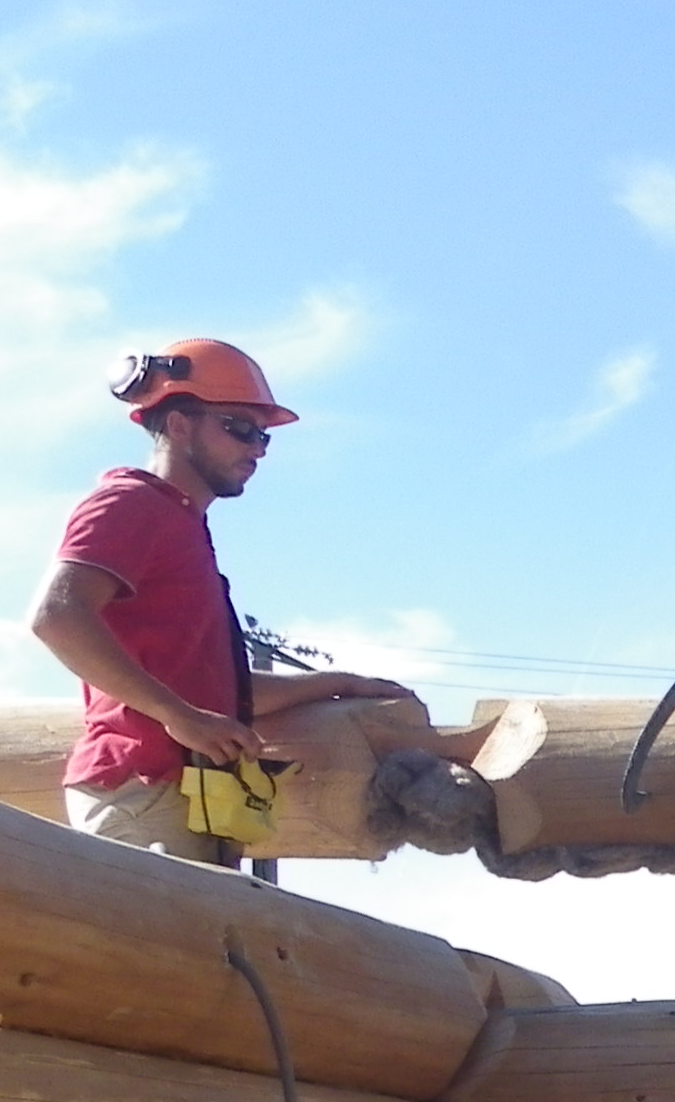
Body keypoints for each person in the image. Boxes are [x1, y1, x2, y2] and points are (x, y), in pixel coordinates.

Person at [31, 339, 416, 862]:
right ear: (179, 425)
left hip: (182, 797)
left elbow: (217, 695)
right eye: (238, 427)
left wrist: (336, 684)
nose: (256, 448)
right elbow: (56, 617)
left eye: (262, 436)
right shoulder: (129, 503)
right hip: (143, 791)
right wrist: (179, 716)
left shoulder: (181, 524)